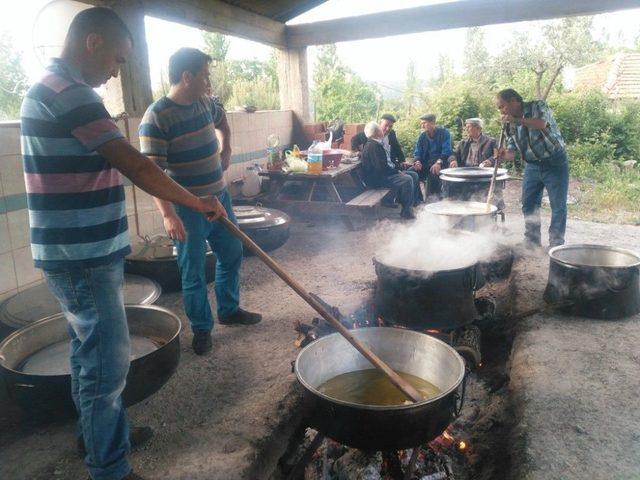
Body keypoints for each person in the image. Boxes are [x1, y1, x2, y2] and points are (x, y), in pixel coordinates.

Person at [20, 8, 226, 480]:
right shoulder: (70, 94)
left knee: (86, 354)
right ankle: (110, 467)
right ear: (92, 42)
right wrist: (194, 202)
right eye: (116, 58)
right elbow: (138, 165)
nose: (116, 71)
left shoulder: (56, 89)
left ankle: (98, 434)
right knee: (106, 367)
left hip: (80, 252)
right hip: (82, 257)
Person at [139, 48, 262, 357]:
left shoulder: (206, 103)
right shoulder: (156, 117)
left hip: (219, 197)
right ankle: (202, 329)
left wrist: (227, 149)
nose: (209, 82)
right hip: (188, 206)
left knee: (232, 253)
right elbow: (152, 175)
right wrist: (168, 215)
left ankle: (229, 310)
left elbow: (223, 124)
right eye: (205, 75)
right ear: (187, 76)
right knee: (192, 270)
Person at [495, 88, 569, 248]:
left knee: (558, 205)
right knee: (528, 204)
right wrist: (502, 155)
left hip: (555, 162)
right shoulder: (510, 124)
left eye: (502, 106)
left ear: (514, 100)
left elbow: (541, 123)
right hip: (532, 165)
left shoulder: (537, 106)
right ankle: (532, 240)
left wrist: (517, 121)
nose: (501, 111)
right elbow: (512, 153)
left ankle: (556, 244)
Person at [351, 114, 423, 203]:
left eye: (391, 126)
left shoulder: (391, 134)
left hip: (389, 166)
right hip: (381, 173)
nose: (388, 128)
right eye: (386, 125)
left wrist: (402, 161)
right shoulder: (371, 135)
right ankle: (405, 208)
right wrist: (359, 152)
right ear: (380, 124)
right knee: (407, 178)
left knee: (413, 174)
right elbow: (380, 166)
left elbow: (397, 147)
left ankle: (413, 202)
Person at [360, 121, 415, 219]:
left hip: (378, 176)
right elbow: (381, 168)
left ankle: (408, 204)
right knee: (407, 179)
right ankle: (406, 211)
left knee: (412, 174)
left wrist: (396, 170)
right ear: (377, 132)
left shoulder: (373, 144)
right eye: (380, 129)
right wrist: (396, 172)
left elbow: (382, 167)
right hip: (376, 180)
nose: (382, 131)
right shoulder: (373, 146)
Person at [413, 113, 453, 200]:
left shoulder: (444, 133)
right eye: (421, 123)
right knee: (412, 173)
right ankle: (417, 200)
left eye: (424, 123)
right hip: (426, 163)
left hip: (441, 162)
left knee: (434, 172)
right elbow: (417, 152)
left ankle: (433, 200)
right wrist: (417, 161)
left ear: (432, 123)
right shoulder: (422, 137)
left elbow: (447, 151)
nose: (422, 125)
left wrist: (438, 162)